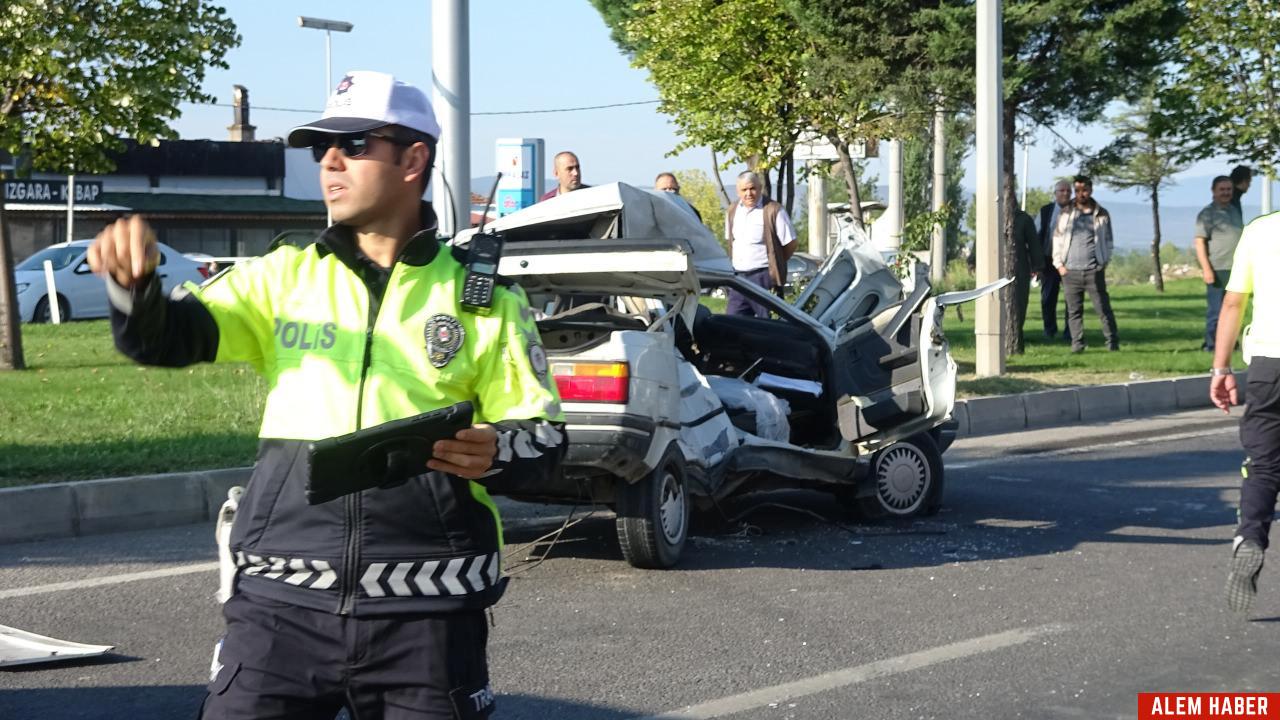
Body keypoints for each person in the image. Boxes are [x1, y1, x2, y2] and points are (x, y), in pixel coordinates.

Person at [88, 70, 566, 718]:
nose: (330, 162)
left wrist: (498, 450)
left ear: (413, 160)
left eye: (354, 144)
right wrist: (134, 289)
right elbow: (167, 339)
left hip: (429, 618)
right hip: (279, 610)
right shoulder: (282, 275)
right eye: (321, 147)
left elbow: (545, 439)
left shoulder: (484, 298)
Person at [1209, 211, 1280, 614]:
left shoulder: (1260, 230)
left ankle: (1249, 537)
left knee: (1264, 465)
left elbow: (1234, 301)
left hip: (1270, 364)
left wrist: (1221, 368)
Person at [1052, 175, 1119, 353]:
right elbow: (1057, 239)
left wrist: (1103, 262)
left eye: (1085, 190)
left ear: (1091, 190)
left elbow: (1108, 240)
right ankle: (1077, 344)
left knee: (1103, 308)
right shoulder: (1065, 213)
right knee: (1074, 311)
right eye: (1078, 190)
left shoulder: (1101, 213)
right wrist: (1059, 265)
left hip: (1093, 270)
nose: (1081, 194)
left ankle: (1112, 341)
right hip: (1070, 271)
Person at [724, 171, 797, 317]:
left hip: (763, 277)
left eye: (752, 188)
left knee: (767, 324)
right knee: (732, 322)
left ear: (760, 188)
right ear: (738, 191)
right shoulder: (732, 211)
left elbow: (791, 243)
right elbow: (730, 241)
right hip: (738, 278)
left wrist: (776, 263)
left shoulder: (773, 210)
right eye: (744, 190)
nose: (749, 194)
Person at [1194, 175, 1245, 351]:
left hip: (1236, 268)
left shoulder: (1234, 210)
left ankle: (1231, 343)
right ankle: (1212, 344)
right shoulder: (1207, 214)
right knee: (1216, 310)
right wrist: (1206, 269)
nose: (1226, 193)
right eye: (1222, 189)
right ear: (1213, 191)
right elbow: (1199, 242)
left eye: (1228, 189)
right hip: (1217, 268)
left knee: (1235, 309)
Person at [1037, 180, 1072, 340]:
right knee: (1048, 297)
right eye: (1062, 190)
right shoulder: (1046, 211)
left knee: (1071, 299)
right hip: (1049, 261)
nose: (1065, 193)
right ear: (1055, 193)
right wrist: (1037, 263)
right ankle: (1049, 330)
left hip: (1070, 262)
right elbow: (1037, 235)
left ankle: (1070, 332)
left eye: (1068, 191)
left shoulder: (1076, 211)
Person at [1011, 207, 1046, 352]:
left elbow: (1033, 244)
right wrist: (973, 260)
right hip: (994, 270)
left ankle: (1016, 339)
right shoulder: (990, 215)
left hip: (1019, 270)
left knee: (1019, 305)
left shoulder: (1023, 219)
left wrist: (1038, 266)